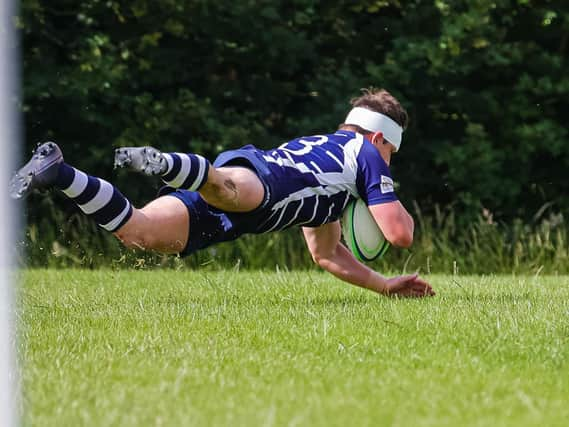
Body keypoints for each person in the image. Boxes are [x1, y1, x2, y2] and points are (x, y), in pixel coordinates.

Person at [10, 88, 434, 298]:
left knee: (138, 232)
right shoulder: (366, 152)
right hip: (262, 182)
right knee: (225, 186)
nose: (389, 160)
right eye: (392, 152)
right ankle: (168, 164)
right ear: (381, 138)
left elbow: (326, 254)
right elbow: (400, 235)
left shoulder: (334, 168)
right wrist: (395, 201)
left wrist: (383, 286)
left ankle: (59, 171)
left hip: (249, 202)